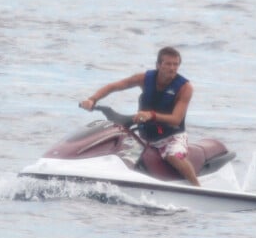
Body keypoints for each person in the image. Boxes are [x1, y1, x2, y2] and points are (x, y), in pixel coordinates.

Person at [80, 47, 200, 186]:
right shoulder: (144, 78)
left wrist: (151, 115)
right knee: (119, 149)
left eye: (175, 64)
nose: (172, 68)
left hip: (172, 137)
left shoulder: (185, 88)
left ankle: (197, 186)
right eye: (168, 64)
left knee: (173, 156)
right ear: (158, 65)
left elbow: (176, 119)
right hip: (146, 135)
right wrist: (92, 99)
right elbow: (114, 86)